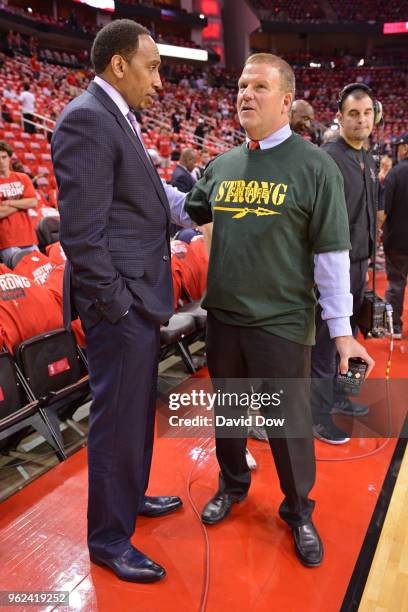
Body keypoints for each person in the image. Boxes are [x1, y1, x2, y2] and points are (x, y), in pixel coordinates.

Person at [185, 53, 374, 568]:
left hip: (284, 323)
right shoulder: (222, 164)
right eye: (242, 85)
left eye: (260, 87)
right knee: (230, 415)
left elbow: (333, 255)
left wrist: (342, 332)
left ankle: (298, 511)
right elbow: (191, 211)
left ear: (287, 101)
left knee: (288, 426)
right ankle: (233, 484)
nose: (245, 94)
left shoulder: (314, 166)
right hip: (224, 318)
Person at [51, 19, 194, 584]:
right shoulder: (88, 119)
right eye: (153, 66)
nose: (159, 80)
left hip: (139, 294)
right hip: (121, 303)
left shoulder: (116, 117)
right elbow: (82, 235)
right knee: (115, 420)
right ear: (119, 64)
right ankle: (108, 538)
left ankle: (129, 497)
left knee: (137, 412)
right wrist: (116, 304)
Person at [311, 83, 381, 444]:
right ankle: (318, 414)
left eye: (367, 113)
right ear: (339, 118)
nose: (361, 120)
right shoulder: (327, 157)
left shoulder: (367, 159)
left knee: (350, 336)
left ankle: (342, 396)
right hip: (333, 265)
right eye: (353, 113)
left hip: (361, 263)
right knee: (326, 342)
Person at [383, 132, 408, 340]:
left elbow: (384, 211)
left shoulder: (395, 173)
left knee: (396, 284)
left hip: (397, 242)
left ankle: (394, 327)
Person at [0, 141, 39, 266]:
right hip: (8, 241)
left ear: (10, 157)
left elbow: (33, 202)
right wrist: (22, 203)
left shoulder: (23, 177)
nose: (1, 161)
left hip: (29, 238)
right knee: (22, 279)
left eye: (4, 157)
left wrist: (9, 202)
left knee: (41, 276)